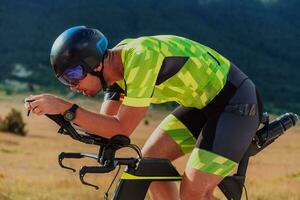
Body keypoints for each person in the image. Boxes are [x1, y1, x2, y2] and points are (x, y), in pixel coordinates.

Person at [25, 26, 262, 200]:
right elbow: (107, 130)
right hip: (200, 105)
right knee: (149, 165)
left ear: (95, 64)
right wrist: (61, 115)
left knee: (193, 193)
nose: (73, 86)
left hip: (234, 101)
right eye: (65, 80)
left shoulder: (139, 59)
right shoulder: (114, 74)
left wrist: (65, 107)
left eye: (74, 75)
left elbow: (120, 128)